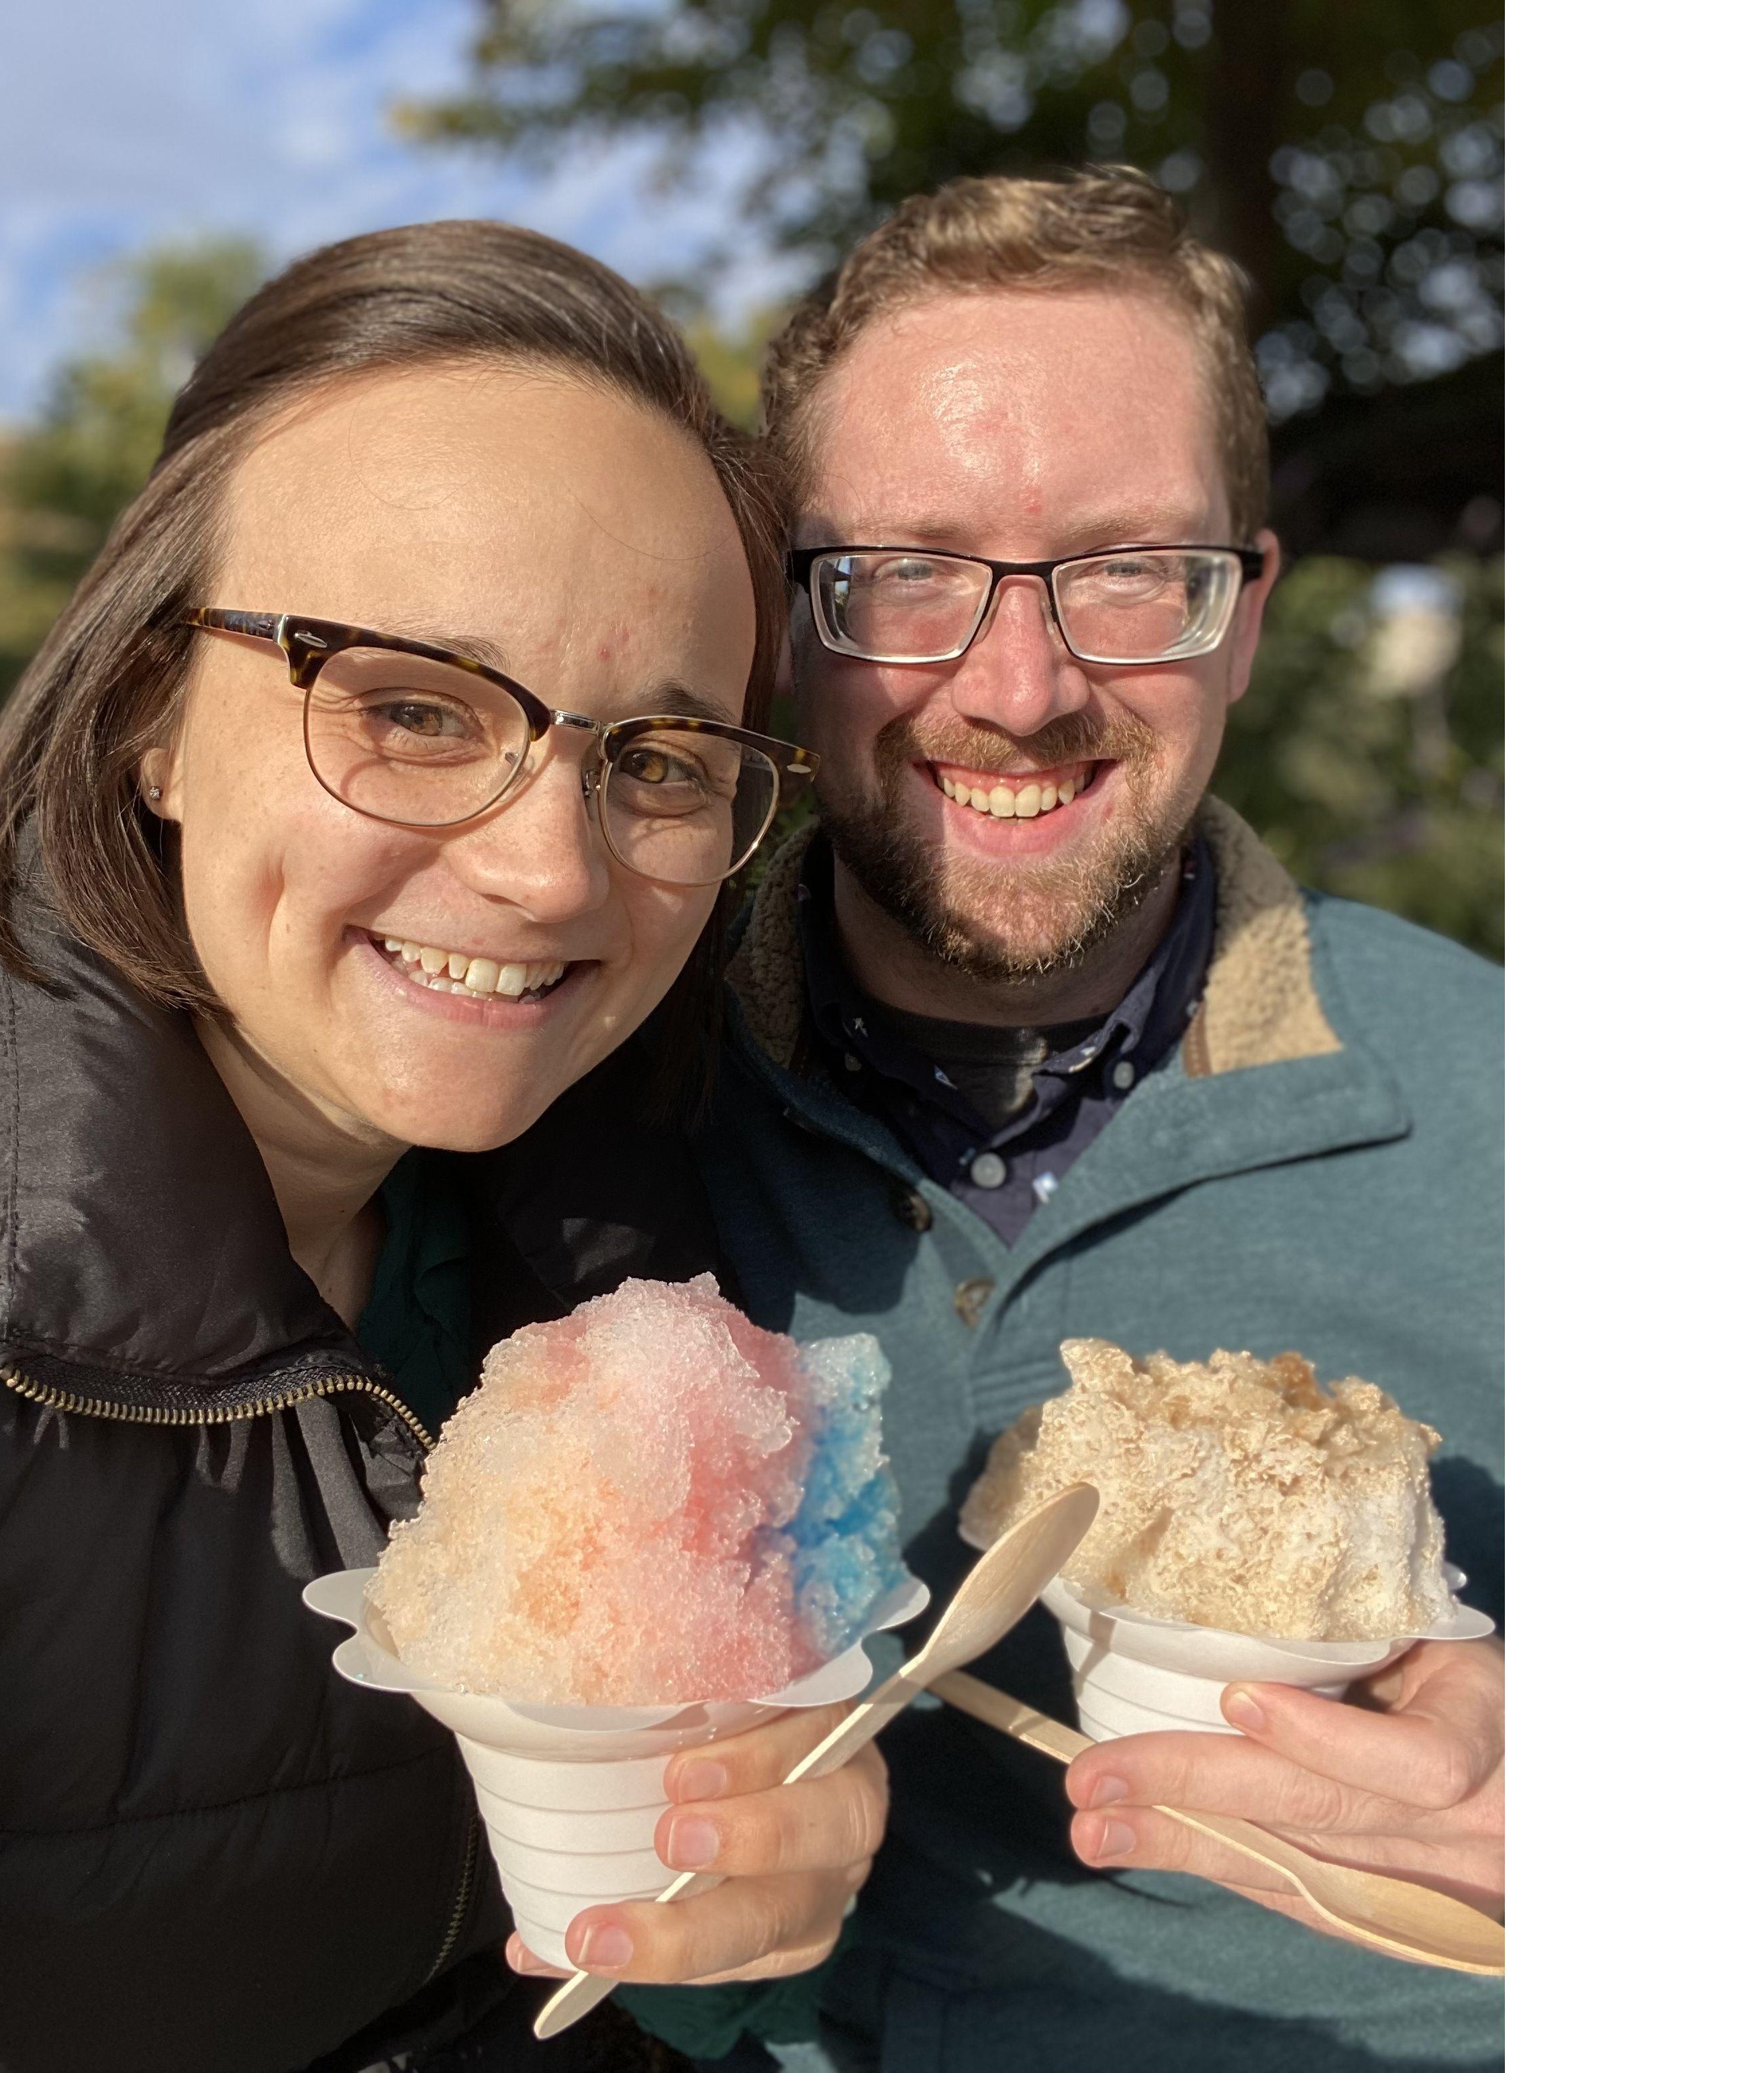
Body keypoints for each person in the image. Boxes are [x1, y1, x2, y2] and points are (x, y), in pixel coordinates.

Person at [497, 169, 1503, 2070]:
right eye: (909, 573)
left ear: (1248, 616)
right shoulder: (567, 1083)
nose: (1021, 687)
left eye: (1130, 568)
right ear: (788, 619)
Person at [0, 222, 891, 2073]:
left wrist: (751, 1911)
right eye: (405, 705)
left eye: (663, 759)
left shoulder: (632, 1242)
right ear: (151, 715)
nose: (552, 871)